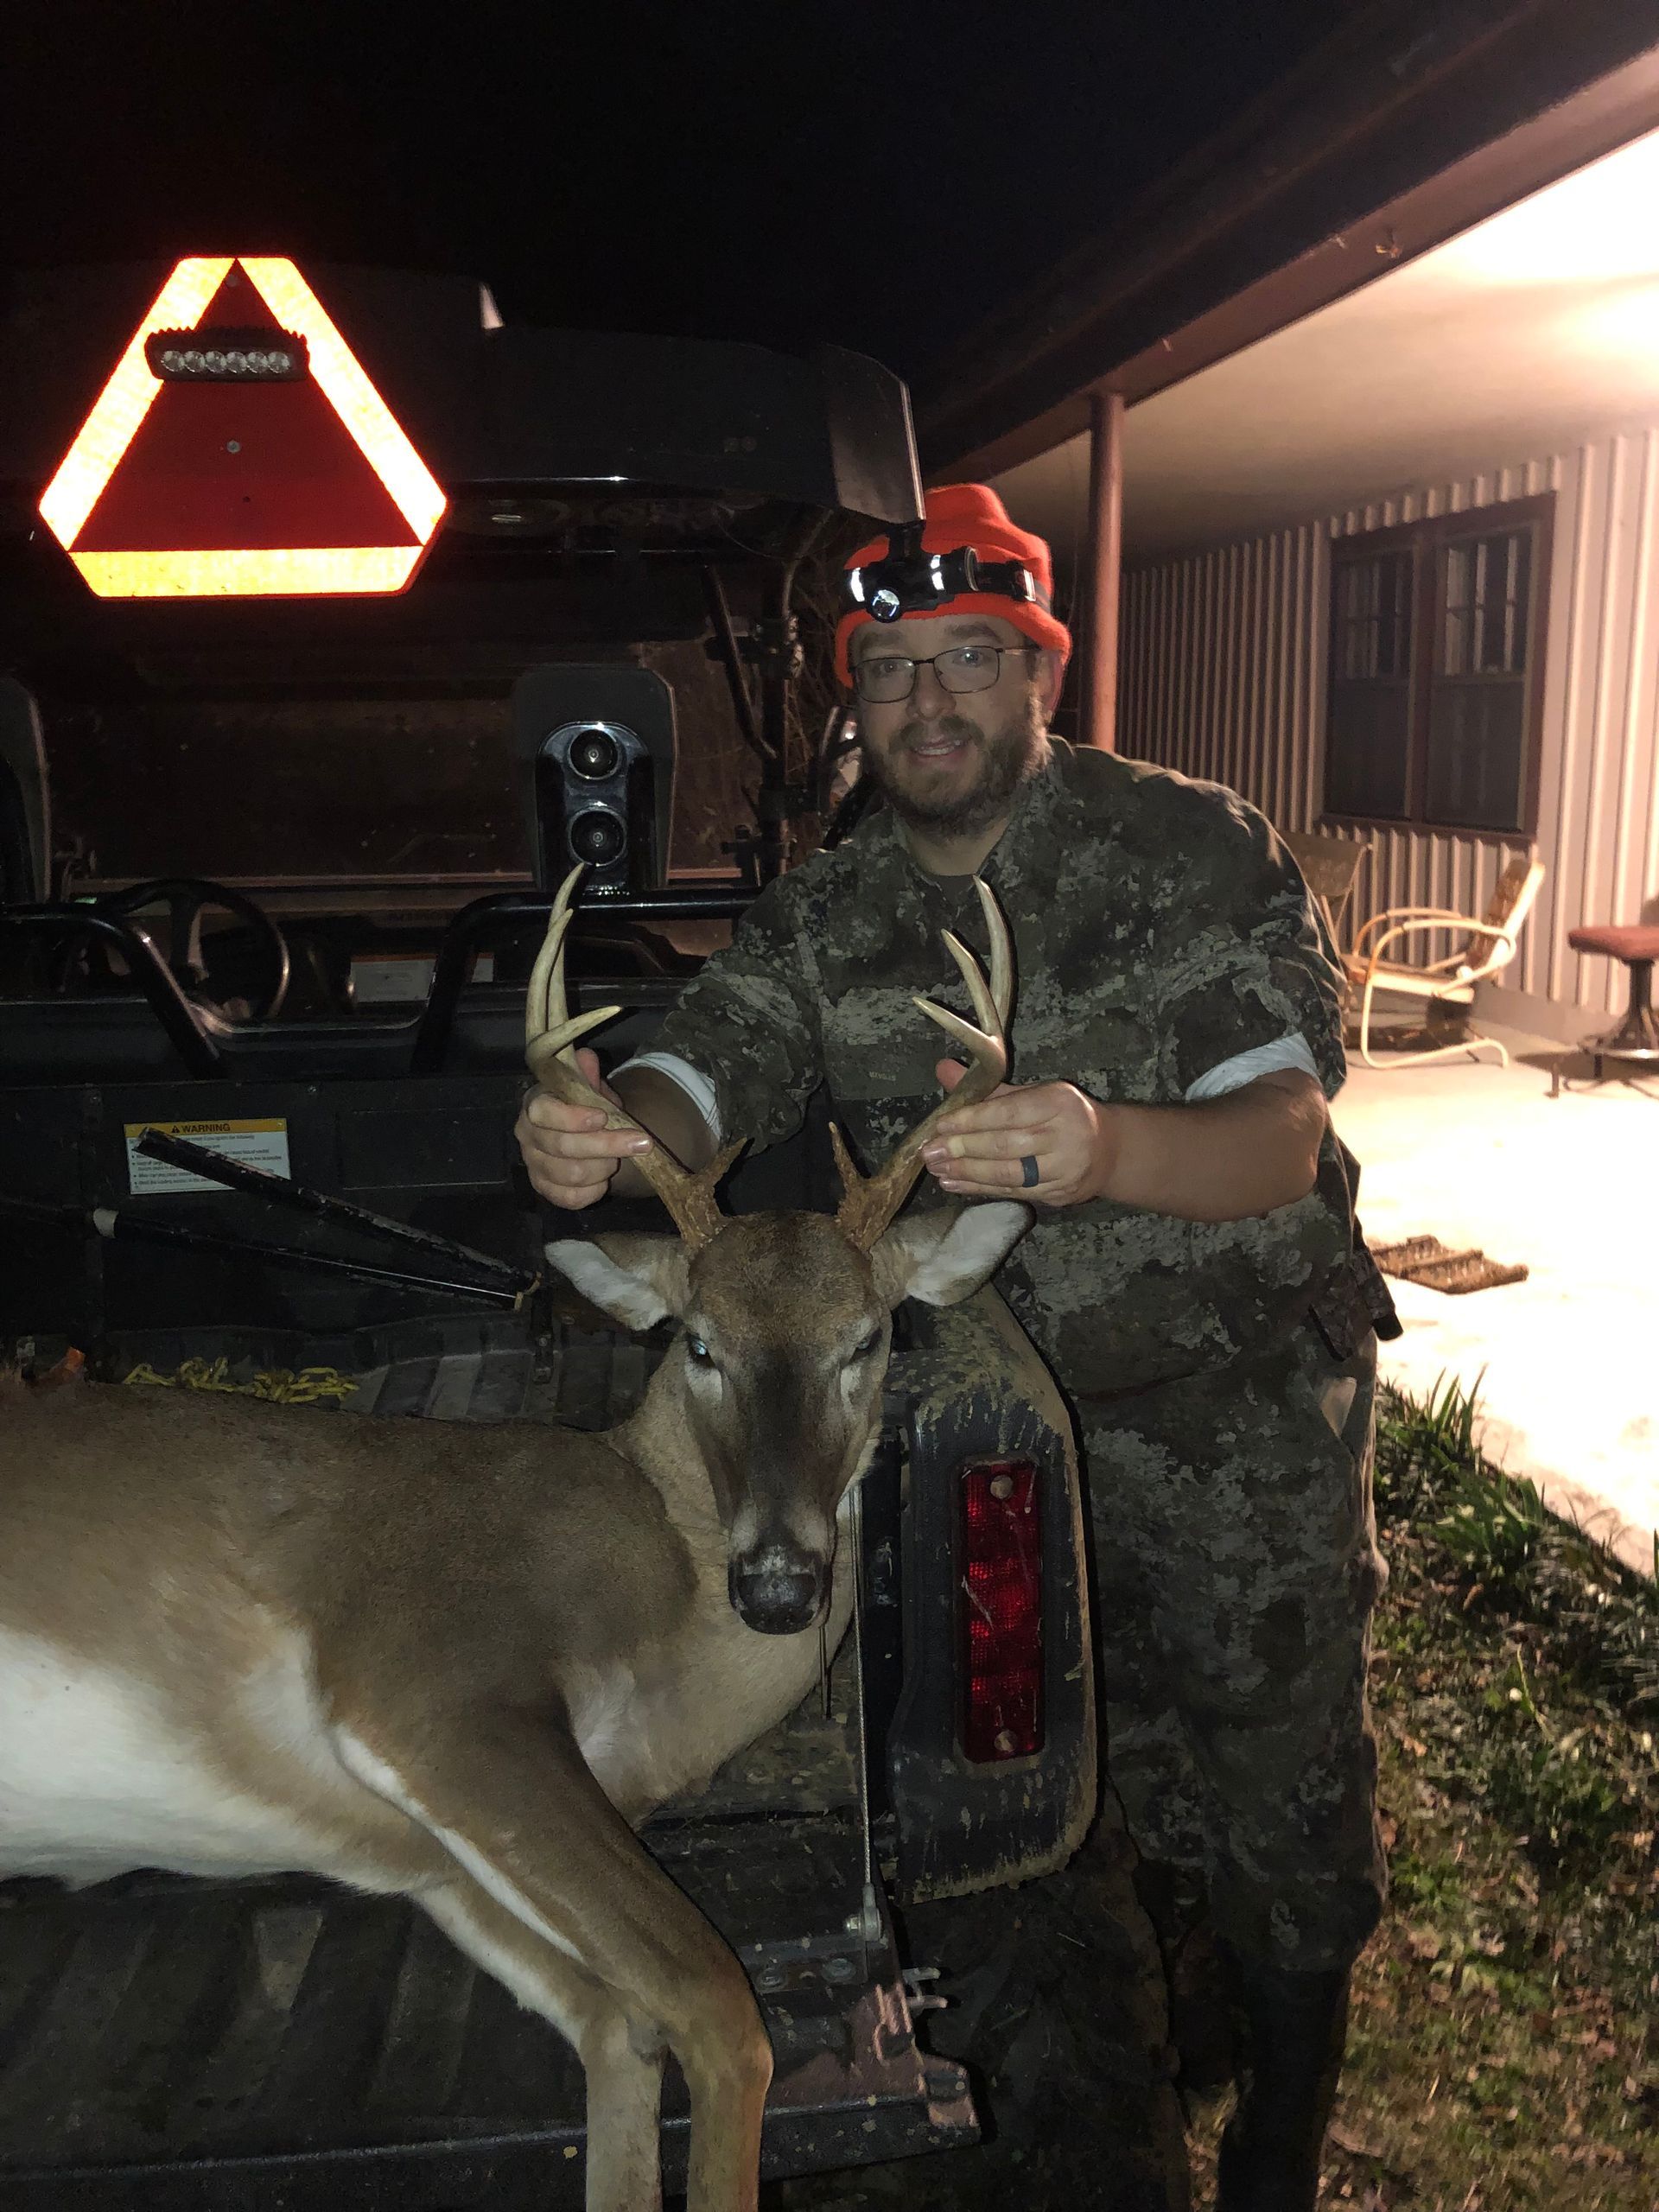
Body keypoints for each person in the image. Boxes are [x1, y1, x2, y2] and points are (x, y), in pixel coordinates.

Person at [517, 483, 1395, 2212]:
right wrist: (614, 1124)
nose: (930, 699)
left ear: (1040, 673)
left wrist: (1104, 1141)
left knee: (1285, 1812)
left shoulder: (1192, 849)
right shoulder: (830, 908)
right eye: (893, 665)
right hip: (983, 1449)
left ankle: (1281, 2151)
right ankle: (1144, 2076)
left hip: (1230, 1438)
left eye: (972, 658)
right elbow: (715, 1062)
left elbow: (1286, 1128)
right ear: (856, 697)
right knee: (1068, 1817)